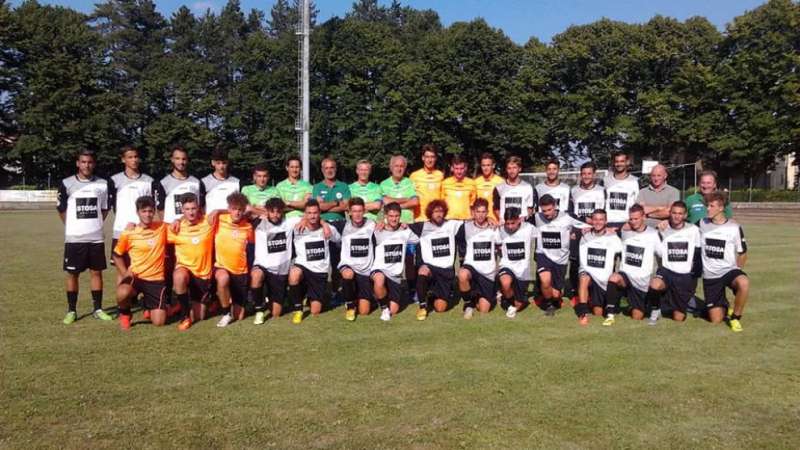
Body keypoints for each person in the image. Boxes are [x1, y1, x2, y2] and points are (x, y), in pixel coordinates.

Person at [58, 149, 112, 324]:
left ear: (93, 164)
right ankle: (71, 311)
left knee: (96, 273)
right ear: (77, 163)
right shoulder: (66, 183)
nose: (86, 165)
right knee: (72, 274)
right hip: (74, 238)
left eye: (89, 162)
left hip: (96, 238)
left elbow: (104, 209)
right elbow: (62, 209)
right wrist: (72, 226)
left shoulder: (103, 184)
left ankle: (98, 309)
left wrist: (95, 225)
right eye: (83, 162)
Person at [112, 196, 169, 330]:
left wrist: (178, 220)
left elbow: (181, 225)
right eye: (144, 211)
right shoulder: (129, 232)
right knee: (122, 292)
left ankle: (147, 304)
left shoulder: (162, 227)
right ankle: (125, 314)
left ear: (154, 212)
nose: (147, 214)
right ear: (137, 212)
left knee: (159, 322)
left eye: (150, 211)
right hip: (136, 277)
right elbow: (117, 255)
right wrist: (125, 273)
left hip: (156, 279)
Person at [604, 204, 662, 326]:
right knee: (614, 278)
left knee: (637, 316)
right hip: (626, 277)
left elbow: (661, 254)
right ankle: (610, 315)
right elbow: (607, 231)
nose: (633, 221)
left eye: (636, 218)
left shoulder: (653, 234)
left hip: (641, 281)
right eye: (631, 219)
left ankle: (644, 304)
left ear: (643, 217)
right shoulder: (625, 231)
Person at [532, 194, 589, 316]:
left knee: (556, 294)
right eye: (544, 210)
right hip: (543, 255)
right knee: (545, 280)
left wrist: (586, 229)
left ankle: (555, 298)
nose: (547, 213)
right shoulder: (536, 217)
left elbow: (586, 224)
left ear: (555, 206)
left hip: (561, 260)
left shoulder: (567, 217)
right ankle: (549, 305)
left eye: (549, 210)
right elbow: (519, 222)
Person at [700, 192, 749, 332]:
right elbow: (683, 226)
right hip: (710, 276)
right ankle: (725, 306)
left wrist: (737, 271)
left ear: (721, 208)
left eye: (711, 206)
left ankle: (735, 317)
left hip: (728, 271)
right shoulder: (702, 223)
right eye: (707, 205)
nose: (708, 208)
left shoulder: (734, 227)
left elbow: (742, 253)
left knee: (744, 282)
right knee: (716, 320)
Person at [287, 199, 340, 324]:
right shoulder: (296, 225)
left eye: (315, 213)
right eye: (309, 213)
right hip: (303, 266)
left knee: (315, 311)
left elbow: (338, 240)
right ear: (304, 214)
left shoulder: (328, 229)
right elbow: (277, 220)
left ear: (320, 213)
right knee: (294, 274)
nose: (312, 216)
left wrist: (325, 224)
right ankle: (298, 309)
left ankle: (309, 295)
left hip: (319, 272)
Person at [648, 201, 702, 323]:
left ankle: (672, 303)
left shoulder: (693, 230)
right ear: (670, 213)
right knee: (655, 285)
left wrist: (694, 275)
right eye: (674, 213)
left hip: (683, 275)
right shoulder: (662, 228)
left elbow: (697, 252)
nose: (677, 216)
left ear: (685, 215)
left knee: (678, 318)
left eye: (680, 213)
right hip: (666, 271)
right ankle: (655, 309)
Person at [409, 199, 462, 320]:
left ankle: (432, 295)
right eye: (435, 211)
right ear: (430, 213)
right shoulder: (422, 226)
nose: (439, 214)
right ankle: (422, 306)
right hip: (430, 268)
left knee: (440, 308)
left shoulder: (452, 225)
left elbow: (470, 223)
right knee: (422, 271)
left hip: (446, 271)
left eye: (441, 211)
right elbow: (401, 227)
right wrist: (384, 224)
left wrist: (489, 220)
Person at [168, 193, 215, 331]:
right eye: (187, 209)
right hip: (185, 270)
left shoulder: (208, 222)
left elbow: (232, 212)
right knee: (179, 276)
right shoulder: (175, 228)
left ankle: (201, 300)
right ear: (182, 210)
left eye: (193, 208)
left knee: (200, 316)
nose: (191, 212)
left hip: (203, 275)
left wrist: (218, 210)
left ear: (198, 208)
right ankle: (184, 316)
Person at [108, 146, 156, 279]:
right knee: (121, 270)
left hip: (142, 231)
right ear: (123, 159)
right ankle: (123, 293)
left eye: (136, 157)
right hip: (121, 231)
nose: (134, 160)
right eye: (130, 157)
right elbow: (112, 205)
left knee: (143, 267)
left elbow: (152, 207)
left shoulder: (149, 181)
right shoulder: (114, 180)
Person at [249, 197, 297, 325]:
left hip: (280, 271)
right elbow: (245, 209)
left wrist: (324, 224)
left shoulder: (289, 223)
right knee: (256, 275)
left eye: (278, 211)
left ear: (282, 212)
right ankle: (259, 310)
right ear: (267, 211)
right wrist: (260, 213)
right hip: (262, 266)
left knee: (276, 313)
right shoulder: (258, 223)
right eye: (272, 211)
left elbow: (309, 217)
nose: (275, 215)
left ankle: (273, 296)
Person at [370, 202, 420, 321]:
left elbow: (418, 240)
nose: (394, 219)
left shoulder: (405, 232)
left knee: (394, 310)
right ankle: (384, 307)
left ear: (400, 216)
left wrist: (408, 227)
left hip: (395, 275)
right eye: (391, 216)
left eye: (397, 216)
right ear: (386, 216)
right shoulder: (378, 231)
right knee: (379, 279)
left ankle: (383, 295)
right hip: (379, 270)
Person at [213, 193, 255, 328]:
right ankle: (226, 313)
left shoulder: (248, 227)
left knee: (239, 316)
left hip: (240, 272)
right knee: (223, 279)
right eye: (234, 209)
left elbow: (252, 249)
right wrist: (218, 210)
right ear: (229, 209)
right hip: (222, 266)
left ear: (244, 210)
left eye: (240, 209)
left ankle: (238, 301)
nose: (237, 212)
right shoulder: (219, 219)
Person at [575, 209, 623, 325]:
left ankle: (599, 301)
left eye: (601, 219)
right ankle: (583, 313)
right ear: (591, 220)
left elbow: (622, 254)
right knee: (583, 277)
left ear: (606, 221)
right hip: (589, 274)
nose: (598, 222)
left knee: (598, 312)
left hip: (604, 280)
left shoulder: (613, 238)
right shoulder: (585, 236)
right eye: (595, 219)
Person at [331, 198, 376, 321]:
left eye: (360, 211)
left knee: (364, 311)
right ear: (349, 212)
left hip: (365, 271)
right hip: (348, 267)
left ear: (364, 211)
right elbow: (320, 222)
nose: (357, 214)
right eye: (354, 211)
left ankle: (361, 295)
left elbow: (388, 227)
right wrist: (322, 224)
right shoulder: (342, 226)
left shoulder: (372, 224)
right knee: (348, 274)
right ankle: (350, 306)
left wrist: (402, 224)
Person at [567, 161, 606, 302]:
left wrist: (595, 223)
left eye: (589, 173)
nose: (586, 176)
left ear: (594, 174)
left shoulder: (602, 190)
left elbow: (605, 211)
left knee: (595, 259)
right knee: (575, 261)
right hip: (578, 230)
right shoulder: (574, 190)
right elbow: (570, 212)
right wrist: (583, 220)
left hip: (596, 230)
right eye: (583, 173)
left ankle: (595, 289)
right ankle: (575, 292)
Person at [455, 198, 498, 319]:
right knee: (462, 274)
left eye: (483, 212)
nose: (480, 215)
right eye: (478, 211)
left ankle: (478, 295)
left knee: (484, 310)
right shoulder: (465, 227)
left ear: (487, 212)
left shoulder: (493, 228)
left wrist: (493, 221)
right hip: (472, 268)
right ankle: (468, 304)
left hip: (487, 273)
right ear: (473, 212)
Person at [496, 208, 537, 319]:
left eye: (512, 223)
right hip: (507, 265)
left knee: (518, 305)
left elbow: (544, 232)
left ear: (519, 220)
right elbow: (494, 242)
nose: (510, 227)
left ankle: (510, 297)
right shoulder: (500, 230)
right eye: (507, 223)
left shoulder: (528, 228)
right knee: (505, 283)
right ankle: (505, 295)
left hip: (523, 271)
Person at [155, 146, 205, 224]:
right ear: (172, 159)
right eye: (177, 158)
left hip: (192, 227)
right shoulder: (164, 183)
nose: (181, 162)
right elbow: (160, 209)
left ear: (187, 160)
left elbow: (201, 207)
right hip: (172, 228)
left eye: (184, 159)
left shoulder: (196, 182)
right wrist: (168, 225)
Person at [637, 164, 680, 228]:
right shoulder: (642, 192)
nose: (656, 178)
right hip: (646, 228)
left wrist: (649, 214)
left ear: (665, 176)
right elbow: (640, 211)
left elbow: (669, 212)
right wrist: (659, 208)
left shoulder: (673, 191)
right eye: (653, 176)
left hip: (665, 227)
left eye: (659, 175)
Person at [603, 151, 640, 228]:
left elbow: (638, 205)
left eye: (622, 161)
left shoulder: (635, 181)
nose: (619, 164)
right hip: (608, 223)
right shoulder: (605, 180)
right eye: (617, 161)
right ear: (613, 163)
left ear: (627, 162)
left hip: (627, 224)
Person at [493, 156, 535, 221]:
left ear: (519, 169)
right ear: (506, 169)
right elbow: (496, 208)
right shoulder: (499, 188)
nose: (512, 171)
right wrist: (503, 220)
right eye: (509, 168)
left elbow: (530, 208)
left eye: (514, 168)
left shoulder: (528, 187)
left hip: (522, 225)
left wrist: (524, 218)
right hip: (505, 225)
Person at [379, 154, 419, 224]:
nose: (399, 169)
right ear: (391, 168)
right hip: (390, 225)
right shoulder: (383, 184)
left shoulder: (410, 182)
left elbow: (415, 202)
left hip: (407, 223)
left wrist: (395, 206)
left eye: (401, 166)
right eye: (396, 166)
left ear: (405, 168)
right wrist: (406, 199)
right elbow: (386, 201)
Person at [409, 144, 444, 222]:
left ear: (436, 158)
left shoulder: (440, 175)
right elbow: (410, 198)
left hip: (436, 219)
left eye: (432, 157)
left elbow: (442, 198)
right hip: (419, 219)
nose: (429, 160)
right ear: (423, 158)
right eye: (427, 157)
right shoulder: (414, 176)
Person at [202, 146, 240, 213]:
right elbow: (200, 205)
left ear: (228, 163)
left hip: (230, 219)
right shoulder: (204, 182)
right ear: (213, 163)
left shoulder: (237, 182)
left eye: (224, 163)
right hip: (210, 219)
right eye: (218, 163)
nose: (221, 166)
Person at [276, 155, 313, 219]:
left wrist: (287, 202)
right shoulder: (280, 186)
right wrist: (300, 206)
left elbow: (307, 205)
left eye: (297, 167)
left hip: (303, 220)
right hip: (285, 221)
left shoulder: (307, 186)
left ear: (301, 168)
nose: (294, 170)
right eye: (292, 167)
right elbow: (279, 207)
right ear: (287, 168)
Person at [441, 154, 477, 220]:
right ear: (452, 168)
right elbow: (442, 203)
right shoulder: (445, 183)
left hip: (466, 220)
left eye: (461, 168)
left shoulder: (472, 183)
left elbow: (473, 204)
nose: (459, 172)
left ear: (465, 168)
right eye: (456, 168)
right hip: (449, 220)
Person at [474, 153, 505, 222]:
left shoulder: (501, 182)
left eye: (488, 165)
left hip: (496, 221)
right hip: (481, 221)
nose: (485, 168)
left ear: (493, 165)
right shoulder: (475, 182)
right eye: (483, 165)